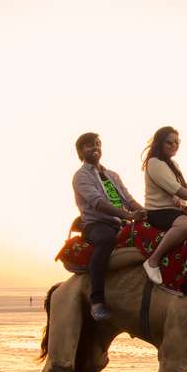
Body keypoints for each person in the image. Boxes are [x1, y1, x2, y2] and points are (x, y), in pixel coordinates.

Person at [72, 132, 147, 321]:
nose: (95, 148)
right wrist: (129, 216)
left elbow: (129, 200)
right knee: (105, 241)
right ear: (81, 151)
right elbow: (98, 203)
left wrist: (145, 213)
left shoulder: (112, 175)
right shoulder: (81, 176)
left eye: (97, 144)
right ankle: (96, 301)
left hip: (120, 222)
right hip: (96, 224)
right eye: (89, 145)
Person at [140, 126, 187, 284]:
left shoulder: (172, 163)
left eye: (177, 142)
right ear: (160, 143)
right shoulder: (154, 163)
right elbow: (176, 189)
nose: (174, 145)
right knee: (185, 225)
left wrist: (186, 187)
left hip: (175, 209)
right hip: (158, 210)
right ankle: (153, 261)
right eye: (169, 142)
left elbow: (178, 187)